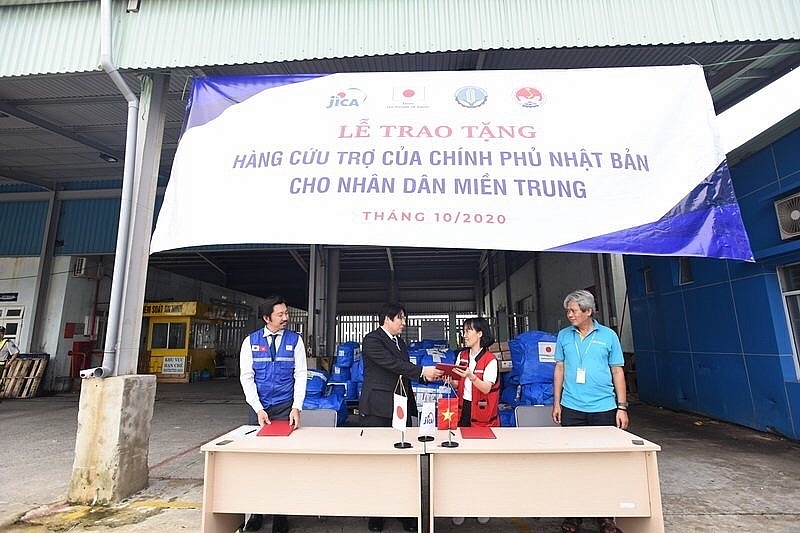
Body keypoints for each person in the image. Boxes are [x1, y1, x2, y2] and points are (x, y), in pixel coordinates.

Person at [358, 302, 443, 533]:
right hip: (377, 408)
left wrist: (427, 377)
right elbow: (392, 364)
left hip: (400, 406)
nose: (404, 323)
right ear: (387, 319)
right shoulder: (372, 340)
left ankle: (403, 512)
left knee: (403, 461)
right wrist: (422, 371)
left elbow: (404, 369)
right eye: (400, 318)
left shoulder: (400, 343)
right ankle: (377, 513)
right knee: (378, 462)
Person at [552, 290, 628, 533]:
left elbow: (617, 371)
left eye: (573, 310)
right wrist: (557, 403)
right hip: (572, 407)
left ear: (588, 311)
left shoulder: (608, 336)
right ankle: (574, 514)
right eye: (568, 310)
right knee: (574, 463)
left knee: (603, 463)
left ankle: (605, 516)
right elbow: (559, 369)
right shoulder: (564, 335)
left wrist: (622, 407)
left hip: (604, 408)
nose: (569, 314)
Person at [238, 296, 308, 533]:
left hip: (285, 408)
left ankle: (280, 513)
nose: (285, 318)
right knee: (257, 461)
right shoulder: (250, 342)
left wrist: (297, 406)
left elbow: (301, 374)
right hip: (259, 409)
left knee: (282, 461)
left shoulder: (295, 340)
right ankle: (256, 512)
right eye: (280, 314)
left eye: (286, 313)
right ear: (267, 318)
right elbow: (247, 377)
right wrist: (258, 408)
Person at [446, 316, 500, 526]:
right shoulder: (461, 355)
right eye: (464, 330)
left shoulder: (490, 360)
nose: (465, 334)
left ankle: (481, 505)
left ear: (480, 334)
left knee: (481, 465)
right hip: (462, 412)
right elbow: (457, 382)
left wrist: (471, 376)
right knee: (460, 463)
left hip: (483, 417)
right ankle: (459, 506)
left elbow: (486, 387)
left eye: (469, 330)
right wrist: (449, 378)